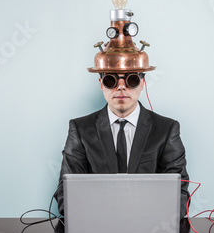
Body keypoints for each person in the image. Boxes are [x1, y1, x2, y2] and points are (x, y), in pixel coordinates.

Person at [55, 71, 190, 218]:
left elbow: (179, 194)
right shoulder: (80, 129)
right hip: (97, 228)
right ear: (101, 84)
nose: (121, 86)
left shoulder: (167, 129)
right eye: (110, 80)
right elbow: (66, 195)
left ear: (143, 83)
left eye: (131, 79)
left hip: (149, 230)